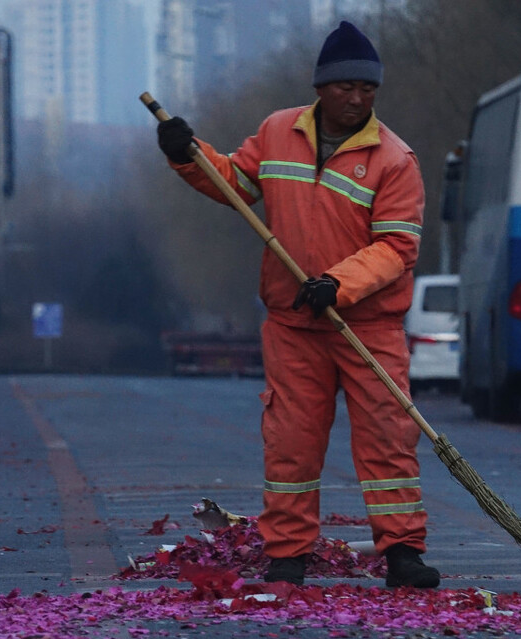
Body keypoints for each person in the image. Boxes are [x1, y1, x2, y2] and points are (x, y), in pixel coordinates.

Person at [156, 21, 439, 589]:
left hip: (367, 325)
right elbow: (234, 181)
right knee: (291, 443)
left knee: (388, 441)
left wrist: (338, 284)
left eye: (368, 90)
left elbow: (397, 247)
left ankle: (402, 552)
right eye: (346, 88)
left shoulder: (395, 160)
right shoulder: (278, 132)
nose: (358, 99)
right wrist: (188, 155)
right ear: (321, 87)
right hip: (293, 324)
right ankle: (287, 553)